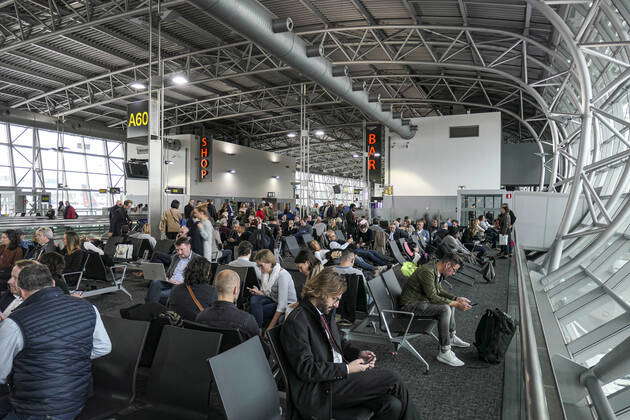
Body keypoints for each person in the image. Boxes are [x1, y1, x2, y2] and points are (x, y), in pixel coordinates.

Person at [281, 268, 420, 420]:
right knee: (392, 379)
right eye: (335, 299)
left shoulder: (323, 312)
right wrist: (347, 368)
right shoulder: (297, 322)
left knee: (392, 405)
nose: (337, 305)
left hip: (336, 379)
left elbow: (337, 342)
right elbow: (307, 369)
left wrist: (357, 353)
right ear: (319, 292)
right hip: (319, 390)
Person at [0, 263, 111, 419]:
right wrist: (66, 357)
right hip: (78, 397)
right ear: (52, 283)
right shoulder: (88, 308)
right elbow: (103, 347)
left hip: (36, 408)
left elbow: (1, 374)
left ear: (22, 290)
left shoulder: (15, 323)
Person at [400, 253, 472, 367]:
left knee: (450, 304)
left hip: (421, 302)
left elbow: (438, 290)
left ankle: (451, 336)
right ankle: (444, 351)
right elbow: (433, 296)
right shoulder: (427, 271)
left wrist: (456, 299)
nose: (453, 273)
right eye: (454, 270)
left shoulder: (434, 268)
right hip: (409, 306)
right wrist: (456, 304)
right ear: (447, 265)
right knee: (445, 309)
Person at [196, 269, 260, 341]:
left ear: (215, 288)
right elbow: (261, 348)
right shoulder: (247, 320)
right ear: (235, 290)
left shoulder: (201, 317)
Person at [249, 249, 297, 331]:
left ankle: (257, 331)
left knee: (256, 311)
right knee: (254, 299)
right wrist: (260, 292)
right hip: (274, 299)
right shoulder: (267, 274)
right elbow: (269, 293)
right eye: (258, 266)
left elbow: (282, 305)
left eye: (261, 266)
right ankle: (258, 328)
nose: (260, 269)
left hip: (287, 305)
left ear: (269, 262)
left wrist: (270, 327)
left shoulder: (282, 275)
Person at [145, 237, 202, 304]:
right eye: (177, 250)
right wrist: (165, 277)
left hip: (182, 286)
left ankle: (149, 307)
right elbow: (169, 272)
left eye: (181, 249)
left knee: (157, 294)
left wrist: (181, 283)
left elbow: (197, 281)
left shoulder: (197, 259)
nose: (179, 252)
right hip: (170, 282)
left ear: (189, 246)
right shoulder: (176, 257)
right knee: (155, 282)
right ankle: (150, 306)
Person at [168, 257, 217, 321]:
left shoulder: (175, 289)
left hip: (177, 327)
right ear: (206, 273)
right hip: (197, 329)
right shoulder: (212, 292)